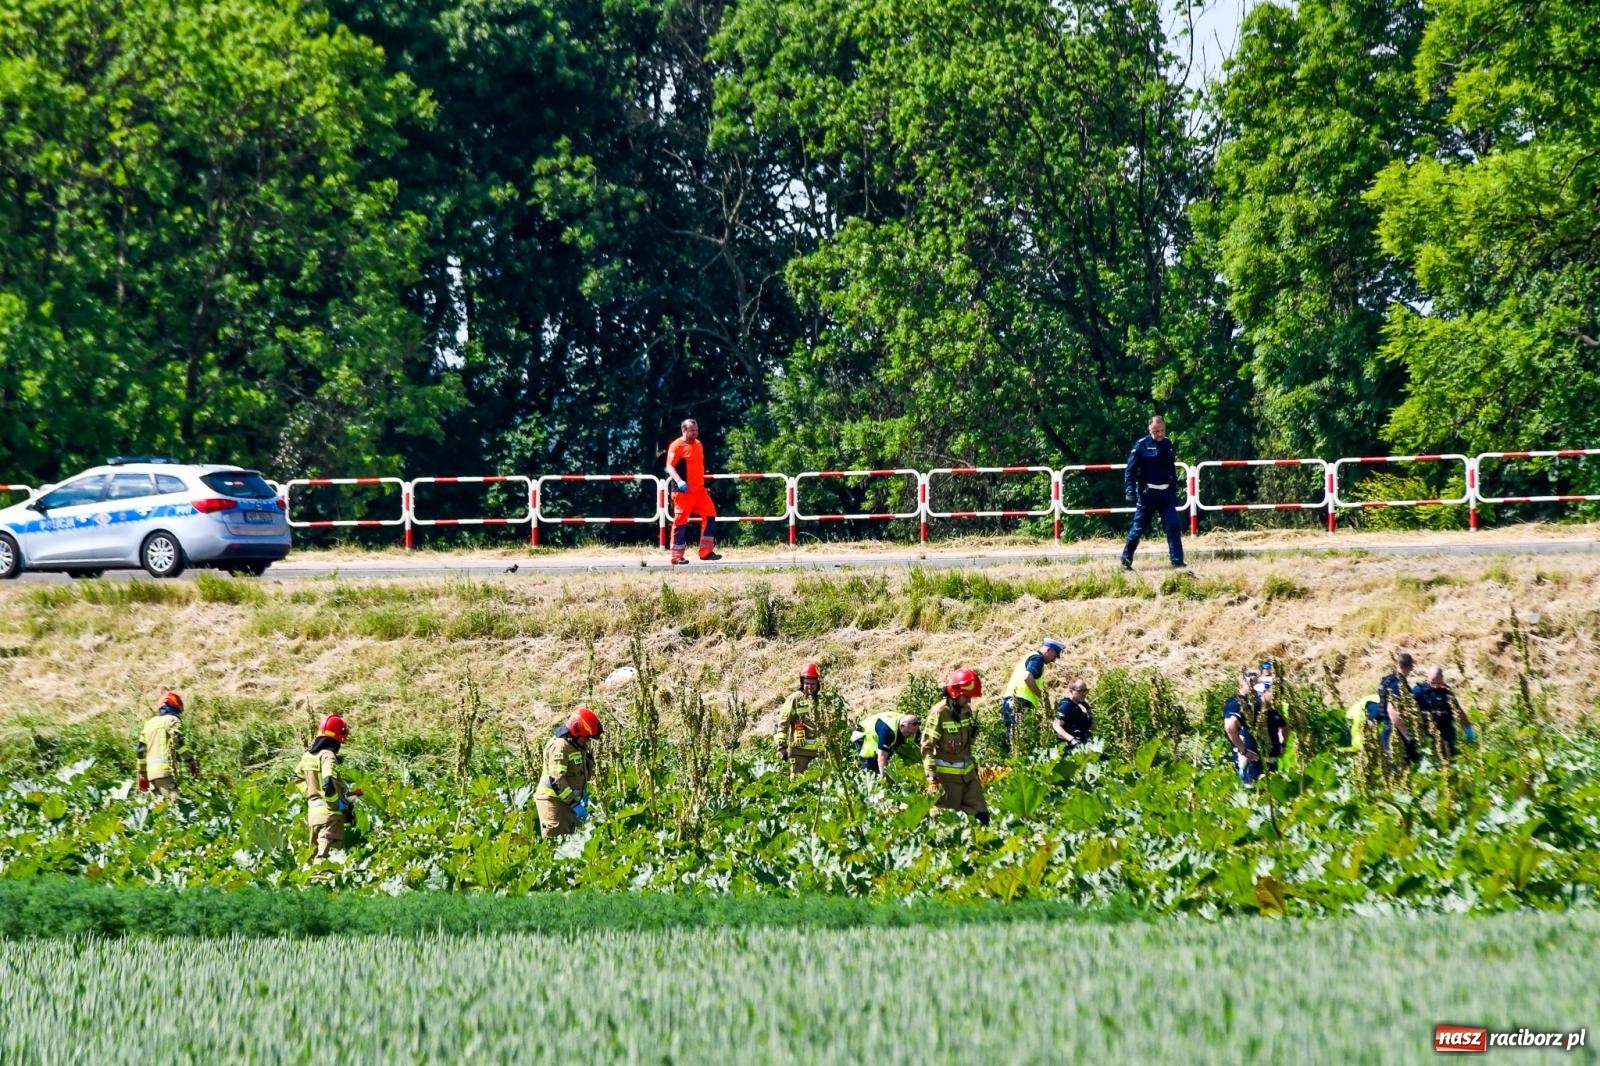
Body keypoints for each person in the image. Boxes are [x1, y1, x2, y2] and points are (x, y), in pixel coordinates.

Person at [920, 668, 990, 826]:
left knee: (982, 816)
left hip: (968, 776)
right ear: (955, 693)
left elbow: (966, 745)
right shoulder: (939, 713)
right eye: (966, 697)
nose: (969, 701)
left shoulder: (966, 711)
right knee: (947, 823)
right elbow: (927, 747)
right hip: (947, 779)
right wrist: (931, 778)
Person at [1120, 415, 1186, 571]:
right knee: (1138, 529)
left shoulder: (1168, 444)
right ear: (1150, 429)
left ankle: (1177, 562)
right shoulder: (1141, 445)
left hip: (1166, 494)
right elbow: (1130, 471)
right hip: (1147, 494)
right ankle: (1125, 562)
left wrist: (1173, 486)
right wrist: (1129, 489)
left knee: (1173, 526)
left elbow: (1171, 467)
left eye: (1162, 430)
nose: (1160, 434)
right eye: (1156, 431)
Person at [297, 715, 360, 861]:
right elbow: (329, 781)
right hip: (330, 818)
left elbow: (297, 778)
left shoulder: (307, 756)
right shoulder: (328, 756)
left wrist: (311, 793)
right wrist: (335, 805)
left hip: (313, 817)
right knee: (327, 863)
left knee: (313, 859)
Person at [535, 707, 603, 838]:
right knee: (556, 844)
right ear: (576, 732)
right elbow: (557, 780)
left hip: (568, 802)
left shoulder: (577, 745)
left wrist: (581, 793)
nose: (587, 741)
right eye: (586, 737)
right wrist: (575, 804)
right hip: (553, 803)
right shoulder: (560, 747)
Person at [664, 418, 720, 564]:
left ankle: (706, 552)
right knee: (680, 521)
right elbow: (670, 467)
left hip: (699, 491)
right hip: (682, 492)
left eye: (696, 430)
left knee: (710, 514)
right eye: (692, 430)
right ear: (684, 430)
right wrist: (679, 481)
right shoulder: (676, 446)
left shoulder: (698, 444)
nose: (696, 433)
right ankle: (676, 556)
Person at [999, 638, 1065, 755]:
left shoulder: (1031, 656)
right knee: (1018, 739)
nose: (1054, 660)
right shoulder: (1037, 659)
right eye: (1055, 655)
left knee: (1013, 737)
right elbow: (1027, 677)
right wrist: (1041, 695)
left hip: (1013, 701)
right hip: (1019, 702)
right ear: (1048, 650)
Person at [1222, 668, 1285, 783]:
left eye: (1255, 682)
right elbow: (1229, 728)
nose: (1253, 685)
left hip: (1268, 760)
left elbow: (1283, 725)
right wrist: (1243, 749)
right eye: (1250, 682)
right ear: (1241, 683)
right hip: (1250, 759)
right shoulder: (1235, 703)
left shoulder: (1264, 706)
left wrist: (1282, 743)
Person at [136, 691, 197, 802]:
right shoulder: (172, 720)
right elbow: (177, 741)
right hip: (166, 774)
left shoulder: (149, 724)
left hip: (151, 777)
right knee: (175, 810)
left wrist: (142, 774)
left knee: (159, 813)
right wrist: (190, 760)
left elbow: (140, 751)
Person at [1412, 666, 1477, 759]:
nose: (1436, 685)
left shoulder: (1447, 693)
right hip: (1427, 737)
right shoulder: (1419, 691)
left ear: (1442, 679)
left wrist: (1468, 731)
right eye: (1433, 682)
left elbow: (1459, 712)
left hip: (1446, 735)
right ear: (1427, 677)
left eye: (1438, 682)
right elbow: (1407, 708)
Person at [774, 662, 826, 774]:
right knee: (798, 786)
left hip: (820, 754)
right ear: (802, 682)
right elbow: (783, 723)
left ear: (818, 683)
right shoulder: (795, 699)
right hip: (799, 753)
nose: (810, 687)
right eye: (807, 683)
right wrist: (781, 747)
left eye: (813, 683)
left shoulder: (824, 700)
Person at [1374, 651, 1420, 764]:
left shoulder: (1387, 680)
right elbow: (1391, 710)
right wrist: (1406, 735)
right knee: (1400, 768)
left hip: (1386, 731)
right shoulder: (1398, 685)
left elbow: (1381, 706)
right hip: (1395, 732)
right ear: (1410, 667)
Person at [853, 711, 921, 775]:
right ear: (902, 726)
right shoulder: (887, 731)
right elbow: (882, 756)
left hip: (881, 729)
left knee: (891, 757)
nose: (911, 736)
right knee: (872, 768)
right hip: (864, 735)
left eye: (913, 733)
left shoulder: (913, 725)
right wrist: (885, 778)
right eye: (909, 733)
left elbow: (921, 744)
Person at [1052, 678, 1095, 749]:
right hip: (1070, 747)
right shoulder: (1066, 705)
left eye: (1085, 690)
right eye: (1080, 691)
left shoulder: (1080, 706)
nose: (1084, 694)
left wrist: (1089, 711)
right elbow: (1056, 726)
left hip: (1083, 745)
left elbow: (1093, 727)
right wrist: (1072, 740)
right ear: (1071, 691)